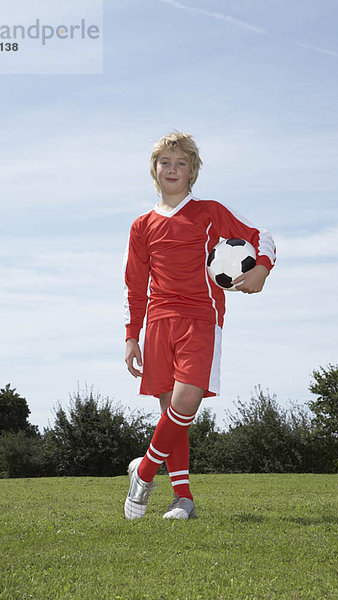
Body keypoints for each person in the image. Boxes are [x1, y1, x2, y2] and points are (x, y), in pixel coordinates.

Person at [122, 131, 276, 520]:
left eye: (181, 163)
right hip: (158, 322)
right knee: (169, 415)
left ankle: (143, 473)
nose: (172, 169)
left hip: (201, 318)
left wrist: (261, 267)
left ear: (192, 172)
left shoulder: (208, 211)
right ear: (154, 171)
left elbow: (261, 237)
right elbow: (135, 284)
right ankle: (183, 499)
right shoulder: (142, 225)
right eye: (165, 163)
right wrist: (131, 336)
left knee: (185, 403)